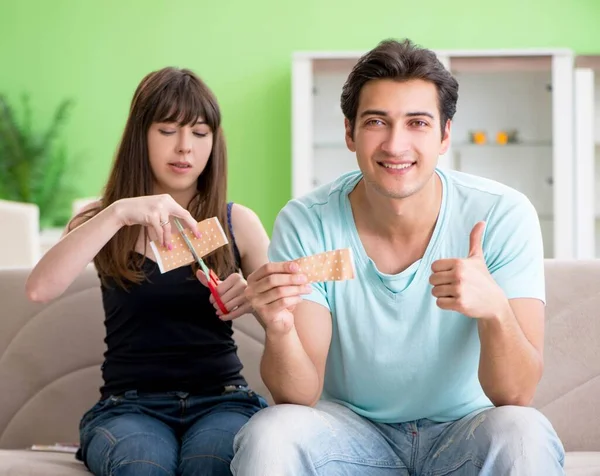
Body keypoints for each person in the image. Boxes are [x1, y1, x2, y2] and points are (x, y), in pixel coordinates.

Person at [232, 39, 565, 475]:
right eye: (376, 122)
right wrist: (279, 329)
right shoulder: (307, 222)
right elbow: (298, 396)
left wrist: (495, 311)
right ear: (349, 132)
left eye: (417, 123)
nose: (395, 144)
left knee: (525, 431)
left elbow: (516, 395)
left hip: (466, 430)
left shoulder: (503, 215)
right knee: (270, 432)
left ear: (445, 134)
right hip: (351, 432)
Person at [26, 67, 270, 476]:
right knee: (142, 465)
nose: (184, 148)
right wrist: (119, 211)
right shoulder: (103, 221)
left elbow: (288, 323)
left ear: (214, 141)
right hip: (129, 407)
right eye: (167, 130)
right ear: (140, 135)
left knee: (211, 464)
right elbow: (39, 289)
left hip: (223, 401)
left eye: (199, 132)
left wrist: (253, 296)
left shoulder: (236, 222)